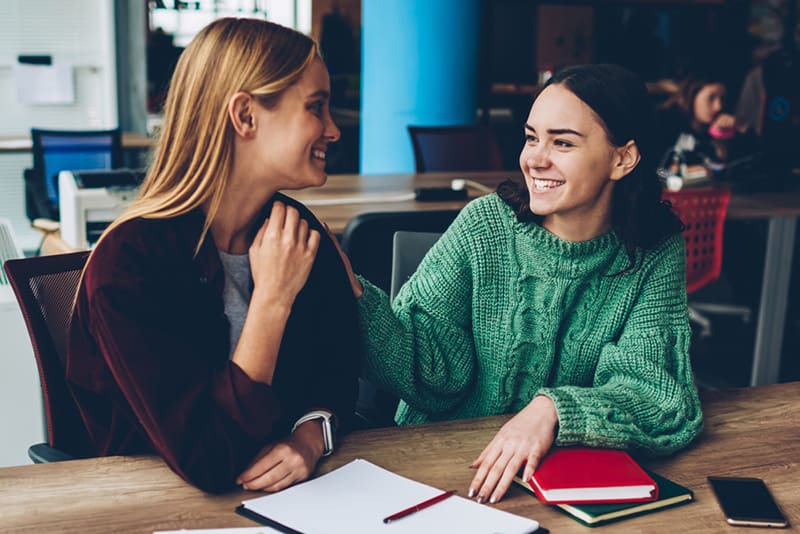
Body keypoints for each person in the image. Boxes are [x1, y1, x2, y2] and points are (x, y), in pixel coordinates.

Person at [335, 63, 703, 504]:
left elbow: (657, 395)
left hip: (553, 481)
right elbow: (428, 371)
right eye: (531, 138)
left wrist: (552, 410)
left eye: (562, 142)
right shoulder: (484, 226)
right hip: (439, 467)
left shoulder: (653, 251)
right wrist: (353, 293)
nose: (535, 159)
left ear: (622, 159)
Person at [66, 18, 361, 494]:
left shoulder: (298, 233)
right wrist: (272, 301)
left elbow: (338, 374)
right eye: (315, 107)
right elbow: (207, 458)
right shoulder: (127, 264)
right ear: (245, 116)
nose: (333, 130)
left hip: (294, 500)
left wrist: (310, 437)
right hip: (151, 505)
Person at [655, 69, 758, 177]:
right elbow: (656, 170)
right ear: (693, 96)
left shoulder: (723, 128)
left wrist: (723, 140)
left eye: (723, 99)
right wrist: (685, 172)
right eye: (711, 98)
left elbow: (733, 169)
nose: (719, 106)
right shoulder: (665, 123)